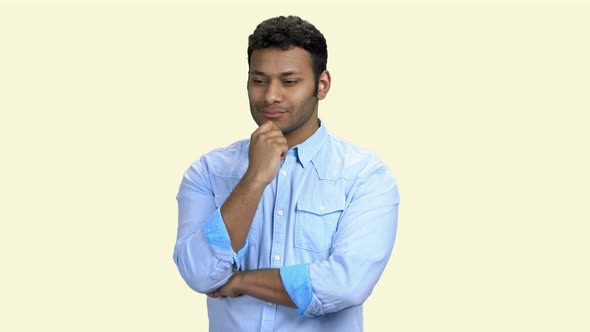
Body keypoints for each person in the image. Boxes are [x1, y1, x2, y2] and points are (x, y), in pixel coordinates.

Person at [173, 15, 400, 332]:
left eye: (289, 82)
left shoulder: (365, 176)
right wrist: (254, 179)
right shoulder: (208, 172)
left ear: (321, 85)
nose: (270, 96)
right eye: (259, 80)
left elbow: (347, 283)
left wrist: (241, 281)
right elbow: (198, 273)